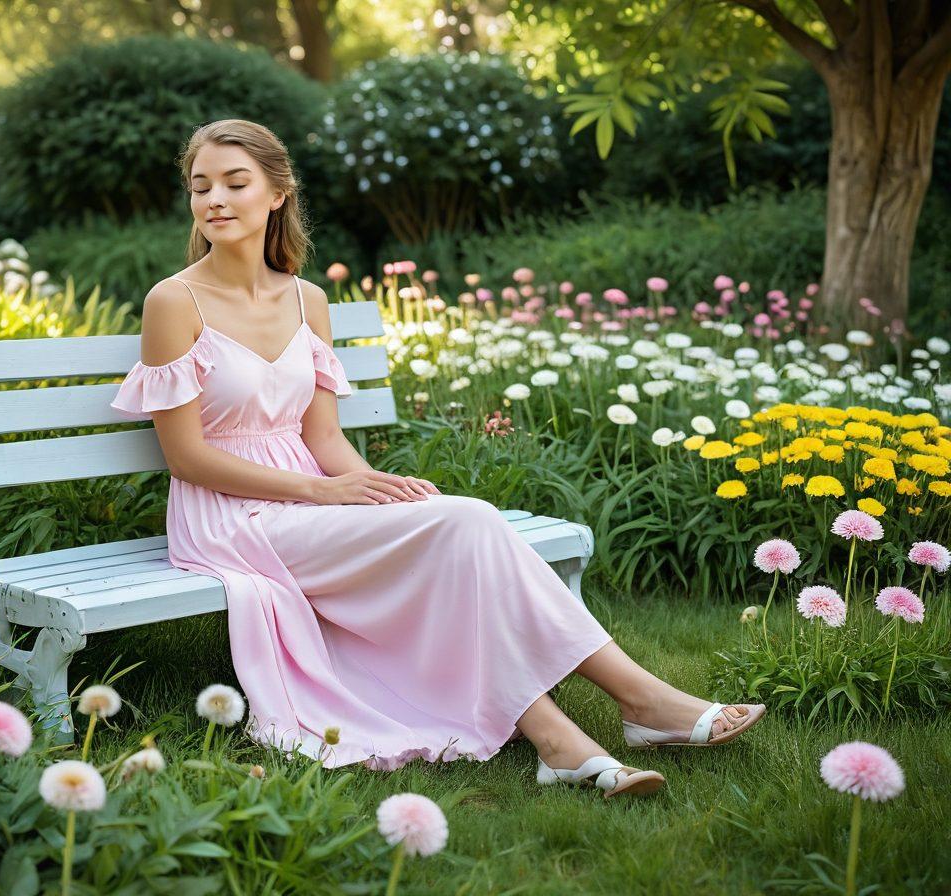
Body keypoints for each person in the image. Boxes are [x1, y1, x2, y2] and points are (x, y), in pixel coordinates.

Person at [109, 119, 766, 800]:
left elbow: (324, 437)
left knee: (461, 521)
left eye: (234, 183)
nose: (214, 199)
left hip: (306, 502)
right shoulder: (174, 301)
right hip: (230, 517)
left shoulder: (307, 300)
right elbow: (187, 458)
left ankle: (565, 739)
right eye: (201, 187)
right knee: (462, 524)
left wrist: (368, 485)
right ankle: (640, 704)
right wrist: (323, 492)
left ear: (277, 193)